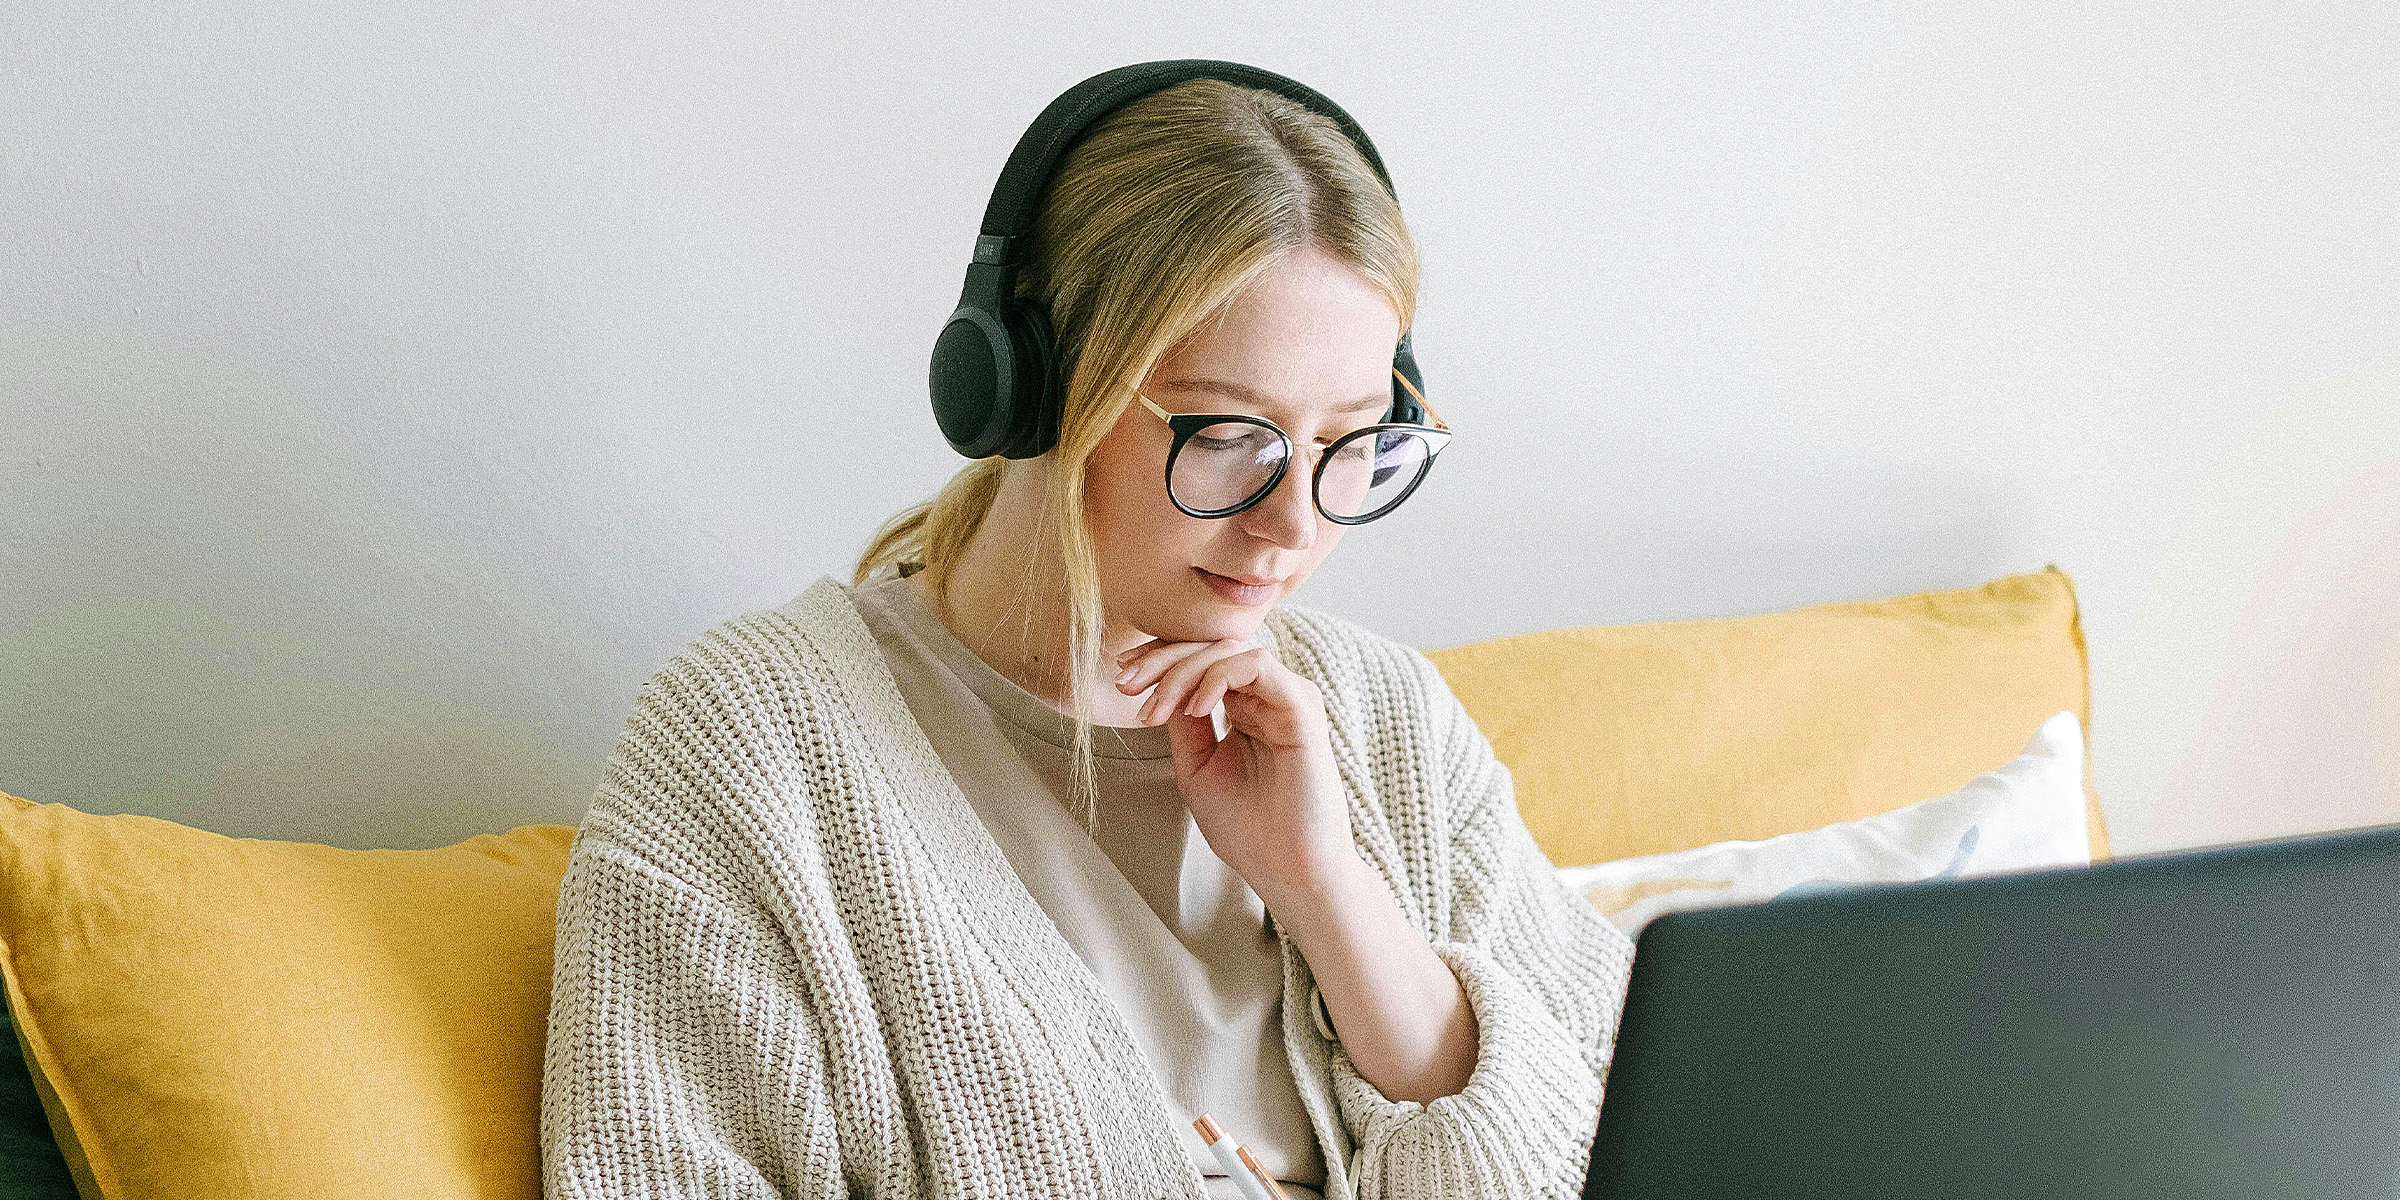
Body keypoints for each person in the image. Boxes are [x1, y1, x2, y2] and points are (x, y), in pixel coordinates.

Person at [540, 71, 1635, 1200]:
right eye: (1229, 435)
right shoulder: (752, 747)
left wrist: (1327, 888)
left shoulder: (1383, 716)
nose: (1294, 523)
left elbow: (1640, 1146)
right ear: (1028, 387)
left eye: (1353, 442)